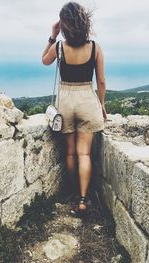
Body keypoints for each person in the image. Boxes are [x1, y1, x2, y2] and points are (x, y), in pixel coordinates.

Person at [42, 2, 107, 216]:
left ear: (64, 24)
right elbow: (101, 82)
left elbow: (44, 61)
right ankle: (83, 199)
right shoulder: (95, 47)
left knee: (70, 152)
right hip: (87, 101)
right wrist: (102, 106)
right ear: (84, 22)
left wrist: (52, 35)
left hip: (66, 101)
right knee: (84, 153)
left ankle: (71, 191)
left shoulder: (59, 47)